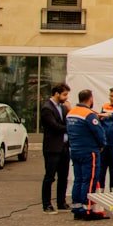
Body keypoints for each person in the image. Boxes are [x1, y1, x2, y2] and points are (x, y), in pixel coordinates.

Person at [66, 89, 107, 220]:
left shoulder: (71, 113)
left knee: (78, 179)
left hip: (75, 151)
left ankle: (77, 207)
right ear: (90, 99)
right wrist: (102, 145)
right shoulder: (89, 115)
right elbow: (99, 133)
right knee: (89, 180)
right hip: (89, 151)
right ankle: (87, 209)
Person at [40, 83, 71, 214]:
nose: (66, 97)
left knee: (63, 176)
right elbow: (54, 126)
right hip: (52, 148)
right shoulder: (47, 108)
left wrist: (69, 110)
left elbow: (66, 121)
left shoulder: (63, 108)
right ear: (56, 93)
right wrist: (70, 128)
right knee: (50, 176)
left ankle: (61, 202)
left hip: (64, 147)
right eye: (64, 94)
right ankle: (46, 204)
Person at [97, 87, 113, 191]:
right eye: (109, 96)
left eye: (112, 96)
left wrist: (111, 116)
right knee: (101, 171)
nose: (110, 98)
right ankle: (100, 193)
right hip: (104, 145)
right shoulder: (105, 106)